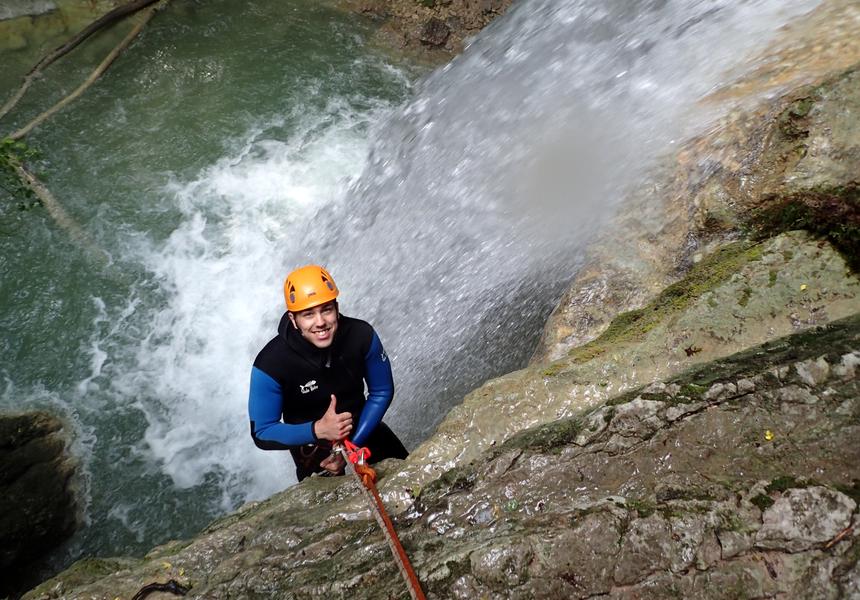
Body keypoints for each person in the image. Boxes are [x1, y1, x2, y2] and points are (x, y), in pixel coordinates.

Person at [248, 264, 408, 480]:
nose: (320, 322)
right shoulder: (271, 364)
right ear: (293, 320)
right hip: (318, 459)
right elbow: (262, 432)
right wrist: (318, 430)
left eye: (326, 309)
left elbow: (381, 391)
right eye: (308, 314)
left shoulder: (361, 335)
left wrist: (354, 445)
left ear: (336, 308)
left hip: (369, 436)